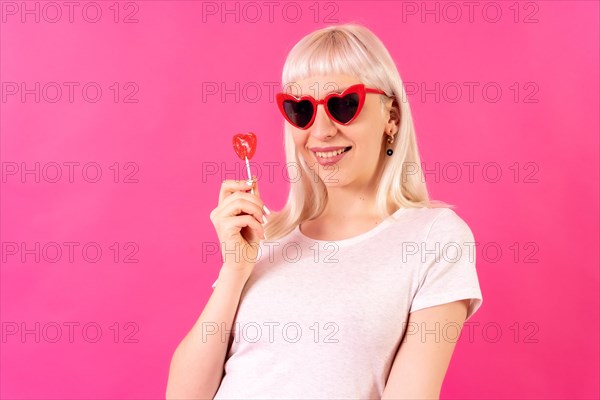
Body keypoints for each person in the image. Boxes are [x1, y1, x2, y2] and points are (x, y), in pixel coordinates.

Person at [166, 23, 483, 399]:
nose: (320, 131)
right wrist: (235, 270)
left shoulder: (436, 239)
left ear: (391, 117)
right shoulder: (265, 236)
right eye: (301, 110)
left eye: (343, 105)